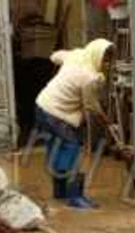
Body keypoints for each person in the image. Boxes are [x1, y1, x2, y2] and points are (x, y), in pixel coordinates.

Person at [34, 38, 115, 210]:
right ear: (97, 56)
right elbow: (90, 106)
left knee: (56, 147)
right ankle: (75, 197)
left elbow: (55, 56)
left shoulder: (77, 55)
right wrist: (104, 118)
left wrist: (64, 62)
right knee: (73, 150)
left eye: (109, 60)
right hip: (57, 114)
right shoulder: (90, 78)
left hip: (41, 106)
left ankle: (60, 191)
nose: (106, 63)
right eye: (105, 59)